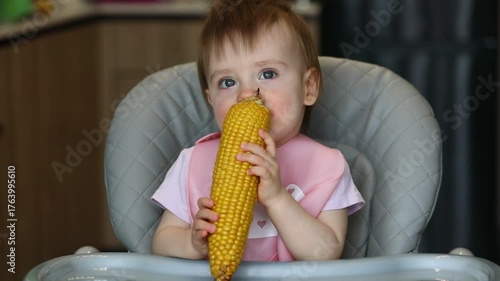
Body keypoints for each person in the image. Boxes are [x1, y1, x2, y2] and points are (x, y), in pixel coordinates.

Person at [151, 0, 364, 262]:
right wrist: (191, 243)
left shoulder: (328, 167)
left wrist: (277, 198)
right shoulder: (191, 162)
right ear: (210, 100)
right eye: (227, 82)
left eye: (268, 73)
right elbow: (161, 242)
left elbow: (326, 253)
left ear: (308, 87)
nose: (247, 93)